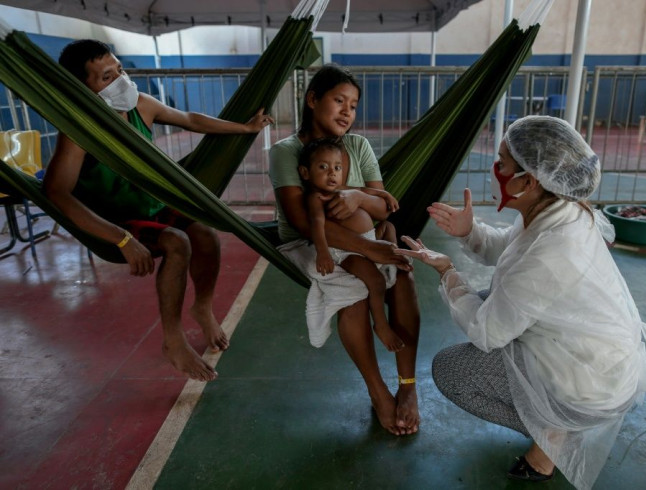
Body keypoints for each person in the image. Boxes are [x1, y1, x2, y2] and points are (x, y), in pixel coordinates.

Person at [396, 115, 646, 489]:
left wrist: (447, 271)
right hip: (595, 356)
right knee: (487, 300)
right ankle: (555, 422)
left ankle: (556, 433)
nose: (495, 168)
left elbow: (486, 332)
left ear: (529, 181)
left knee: (452, 371)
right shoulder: (556, 209)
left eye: (502, 161)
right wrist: (468, 230)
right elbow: (506, 247)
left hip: (589, 384)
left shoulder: (551, 251)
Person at [43, 39, 274, 382]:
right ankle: (173, 339)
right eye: (108, 77)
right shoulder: (79, 134)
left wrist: (245, 129)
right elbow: (56, 193)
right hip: (117, 220)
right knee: (177, 242)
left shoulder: (140, 107)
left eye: (120, 70)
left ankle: (203, 308)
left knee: (207, 233)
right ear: (83, 88)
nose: (121, 81)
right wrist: (119, 239)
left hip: (152, 205)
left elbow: (190, 119)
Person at [269, 64, 421, 435]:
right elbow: (304, 222)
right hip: (311, 244)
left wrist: (356, 197)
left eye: (353, 105)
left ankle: (408, 386)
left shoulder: (358, 145)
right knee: (352, 293)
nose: (347, 112)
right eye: (339, 101)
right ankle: (378, 392)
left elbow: (384, 207)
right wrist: (371, 251)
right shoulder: (286, 152)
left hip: (366, 240)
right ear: (312, 100)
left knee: (401, 277)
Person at [298, 136, 405, 352]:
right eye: (323, 166)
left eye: (337, 167)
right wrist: (323, 253)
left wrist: (384, 193)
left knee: (389, 227)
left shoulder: (341, 187)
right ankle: (381, 325)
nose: (332, 173)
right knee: (375, 282)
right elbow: (316, 225)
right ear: (306, 173)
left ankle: (394, 260)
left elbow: (364, 191)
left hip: (370, 240)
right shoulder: (316, 197)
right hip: (348, 253)